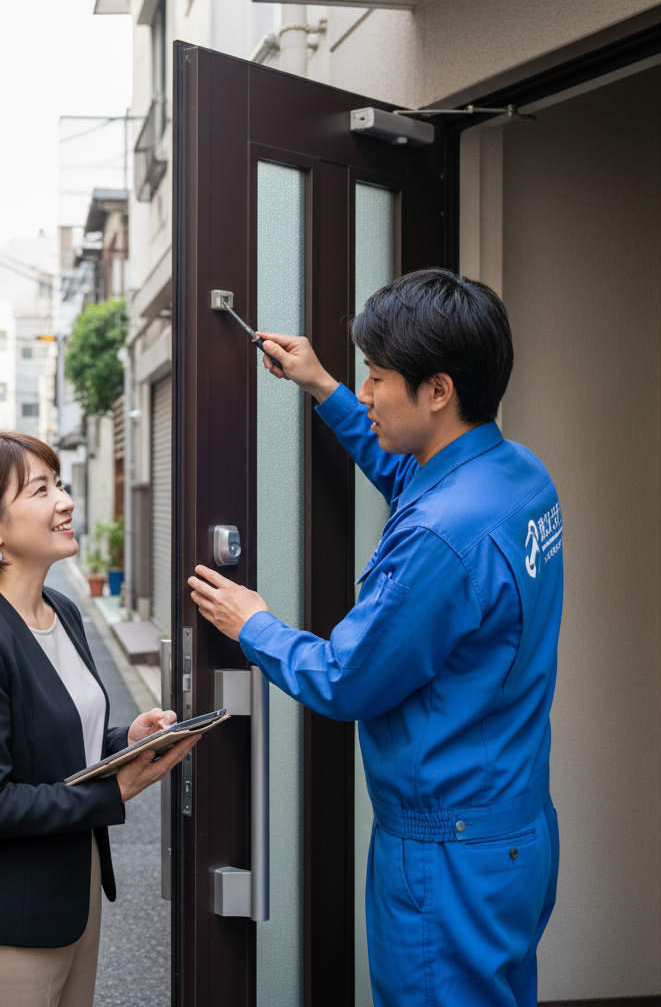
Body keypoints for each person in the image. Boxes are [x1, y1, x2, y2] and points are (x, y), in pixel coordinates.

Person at [188, 268, 562, 1007]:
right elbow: (412, 478)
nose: (364, 391)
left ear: (438, 390)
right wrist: (321, 386)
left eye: (377, 377)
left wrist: (253, 625)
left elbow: (347, 678)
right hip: (514, 830)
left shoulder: (441, 538)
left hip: (446, 855)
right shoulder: (518, 477)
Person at [0, 432, 198, 1007]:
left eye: (61, 484)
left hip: (72, 898)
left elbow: (58, 744)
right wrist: (116, 789)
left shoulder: (62, 611)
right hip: (2, 927)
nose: (66, 501)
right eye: (41, 490)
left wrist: (127, 741)